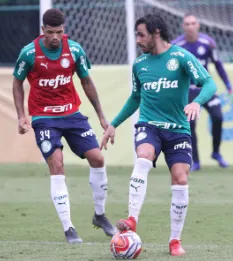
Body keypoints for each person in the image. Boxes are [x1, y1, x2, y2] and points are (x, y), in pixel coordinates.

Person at [101, 14, 217, 256]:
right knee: (143, 156)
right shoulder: (139, 64)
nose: (138, 40)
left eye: (141, 35)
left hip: (177, 130)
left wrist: (197, 103)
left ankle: (175, 241)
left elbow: (208, 84)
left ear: (155, 33)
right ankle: (132, 219)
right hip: (149, 125)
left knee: (181, 179)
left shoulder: (181, 57)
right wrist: (114, 124)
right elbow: (135, 98)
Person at [12, 8, 116, 244]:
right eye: (50, 32)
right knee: (56, 164)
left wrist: (101, 116)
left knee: (98, 159)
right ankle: (69, 228)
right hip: (43, 117)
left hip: (72, 114)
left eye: (59, 32)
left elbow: (86, 81)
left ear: (64, 30)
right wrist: (21, 116)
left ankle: (100, 215)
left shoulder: (75, 50)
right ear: (43, 31)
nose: (55, 37)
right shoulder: (29, 53)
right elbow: (17, 84)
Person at [172, 14, 232, 171]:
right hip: (188, 92)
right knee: (190, 125)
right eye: (187, 24)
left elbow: (218, 64)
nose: (190, 26)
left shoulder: (208, 43)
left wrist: (227, 84)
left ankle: (216, 152)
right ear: (183, 27)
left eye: (193, 23)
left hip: (206, 90)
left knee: (218, 117)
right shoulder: (177, 46)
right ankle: (196, 161)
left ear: (198, 25)